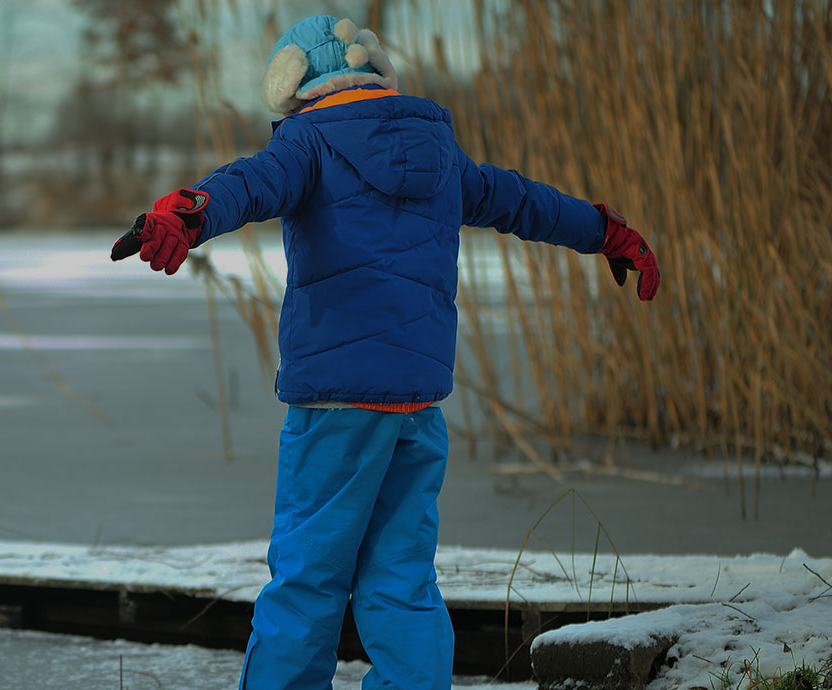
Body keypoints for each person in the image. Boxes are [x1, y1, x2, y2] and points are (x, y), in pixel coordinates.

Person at [112, 14, 661, 690]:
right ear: (376, 74)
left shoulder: (308, 142)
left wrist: (185, 212)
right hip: (416, 400)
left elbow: (244, 185)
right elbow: (524, 202)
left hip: (335, 400)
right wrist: (606, 232)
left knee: (309, 578)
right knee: (401, 580)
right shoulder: (440, 151)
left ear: (293, 86)